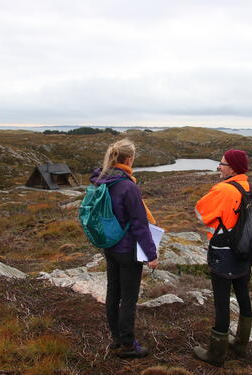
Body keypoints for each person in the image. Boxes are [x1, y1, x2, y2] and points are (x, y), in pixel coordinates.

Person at [90, 138, 159, 358]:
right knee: (128, 298)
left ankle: (117, 339)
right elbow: (139, 224)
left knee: (113, 293)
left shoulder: (102, 180)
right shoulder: (128, 186)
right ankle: (128, 345)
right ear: (129, 159)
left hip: (109, 245)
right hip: (128, 250)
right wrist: (152, 254)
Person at [193, 149, 252, 367]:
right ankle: (240, 345)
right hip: (245, 251)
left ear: (232, 167)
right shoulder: (251, 186)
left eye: (222, 163)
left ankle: (216, 354)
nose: (219, 167)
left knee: (221, 302)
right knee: (243, 295)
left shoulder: (223, 189)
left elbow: (200, 212)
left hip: (224, 251)